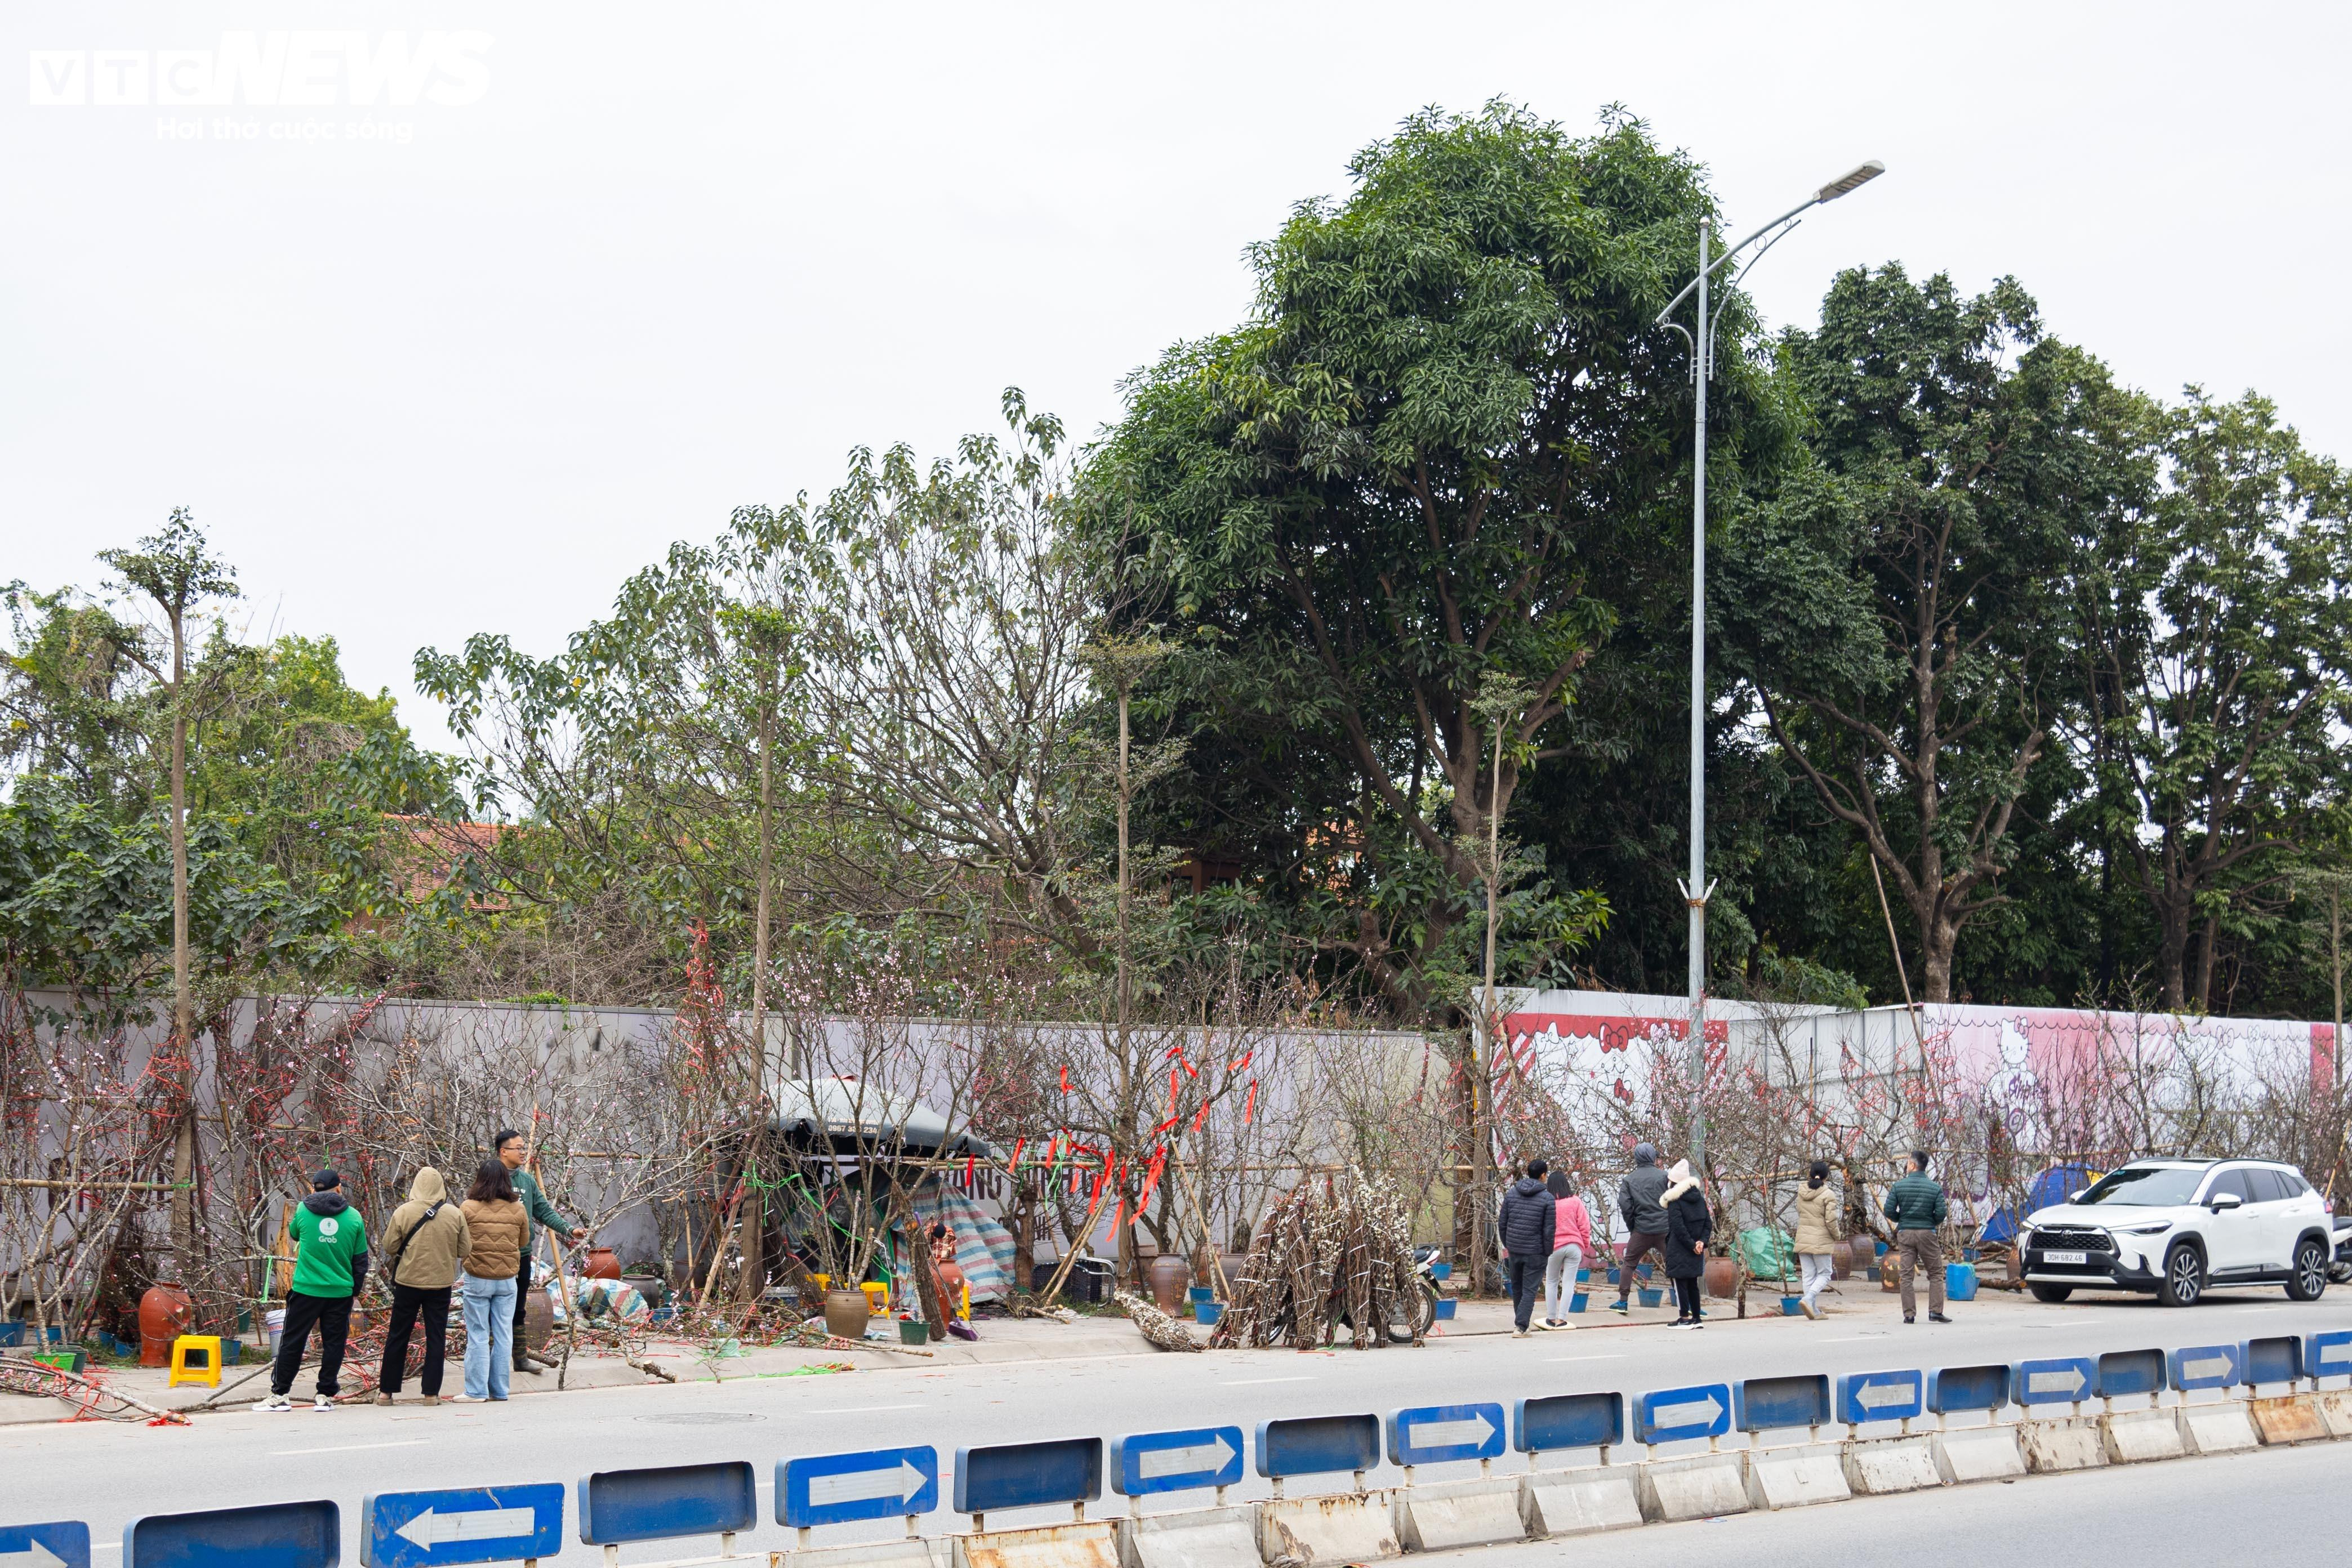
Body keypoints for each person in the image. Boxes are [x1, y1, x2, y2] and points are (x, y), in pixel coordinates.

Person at [257, 1169, 368, 1413]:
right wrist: (353, 1290)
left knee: (292, 1342)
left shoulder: (303, 1211)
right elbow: (360, 1260)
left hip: (306, 1289)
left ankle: (280, 1394)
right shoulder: (354, 1217)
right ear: (339, 1188)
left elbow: (294, 1234)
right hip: (340, 1292)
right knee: (334, 1344)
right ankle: (325, 1394)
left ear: (314, 1189)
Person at [375, 1165, 470, 1406]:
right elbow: (464, 1250)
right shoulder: (454, 1214)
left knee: (398, 1335)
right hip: (440, 1283)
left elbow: (390, 1247)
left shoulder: (403, 1212)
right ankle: (430, 1393)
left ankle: (386, 1392)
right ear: (441, 1187)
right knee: (436, 1336)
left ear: (415, 1186)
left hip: (408, 1281)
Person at [493, 1129, 577, 1377]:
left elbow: (544, 1211)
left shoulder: (527, 1182)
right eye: (517, 1148)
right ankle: (491, 1360)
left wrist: (569, 1230)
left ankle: (520, 1358)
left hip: (522, 1254)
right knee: (493, 1308)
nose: (522, 1152)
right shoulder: (490, 1179)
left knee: (519, 1307)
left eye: (523, 1147)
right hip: (495, 1256)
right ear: (503, 1151)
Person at [456, 1157, 528, 1402]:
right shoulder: (518, 1208)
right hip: (508, 1280)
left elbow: (461, 1244)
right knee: (504, 1333)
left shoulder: (467, 1207)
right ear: (506, 1181)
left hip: (477, 1277)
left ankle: (476, 1391)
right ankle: (500, 1390)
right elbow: (523, 1242)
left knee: (477, 1333)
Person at [1883, 1149, 1952, 1324]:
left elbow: (1889, 1210)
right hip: (1927, 1233)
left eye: (1908, 1162)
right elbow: (1942, 1213)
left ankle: (1909, 1314)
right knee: (1935, 1273)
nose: (1907, 1165)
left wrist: (1902, 1220)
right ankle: (1935, 1311)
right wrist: (1930, 1222)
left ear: (1912, 1165)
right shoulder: (1935, 1188)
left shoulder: (1899, 1186)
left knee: (1906, 1275)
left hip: (1905, 1233)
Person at [1497, 1157, 1558, 1338]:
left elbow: (1503, 1223)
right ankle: (1521, 1327)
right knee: (1530, 1289)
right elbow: (1549, 1230)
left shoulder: (1512, 1193)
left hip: (1515, 1248)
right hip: (1536, 1251)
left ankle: (1521, 1324)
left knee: (1517, 1287)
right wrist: (1547, 1251)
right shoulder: (1547, 1198)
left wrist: (1508, 1244)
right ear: (1543, 1175)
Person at [1611, 1143, 1670, 1312]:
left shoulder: (1629, 1180)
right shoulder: (1664, 1177)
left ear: (1636, 1158)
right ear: (1653, 1157)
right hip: (1664, 1229)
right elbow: (1674, 1200)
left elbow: (1625, 1205)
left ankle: (1623, 1301)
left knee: (1629, 1263)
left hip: (1641, 1229)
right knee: (1673, 1263)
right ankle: (1685, 1302)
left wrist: (1633, 1227)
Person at [1661, 1159, 1713, 1328]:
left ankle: (1684, 1318)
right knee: (1693, 1284)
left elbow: (1678, 1227)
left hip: (1680, 1247)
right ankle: (1697, 1318)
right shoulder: (1699, 1199)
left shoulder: (1675, 1201)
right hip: (1696, 1248)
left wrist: (1691, 1244)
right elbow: (1708, 1223)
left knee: (1681, 1282)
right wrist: (1701, 1243)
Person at [1540, 1167, 1592, 1330]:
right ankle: (1562, 1319)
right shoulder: (1575, 1201)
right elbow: (1585, 1226)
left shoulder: (1547, 1203)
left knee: (1551, 1281)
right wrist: (1584, 1245)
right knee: (1569, 1282)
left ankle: (1550, 1318)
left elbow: (1542, 1227)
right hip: (1574, 1246)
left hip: (1554, 1248)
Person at [1793, 1159, 1838, 1321]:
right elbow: (1831, 1221)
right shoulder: (1828, 1194)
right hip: (1821, 1239)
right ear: (1826, 1176)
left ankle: (1812, 1309)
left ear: (1810, 1174)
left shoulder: (1801, 1191)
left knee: (1808, 1275)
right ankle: (1809, 1299)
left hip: (1803, 1237)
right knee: (1826, 1273)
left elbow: (1800, 1212)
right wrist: (1837, 1236)